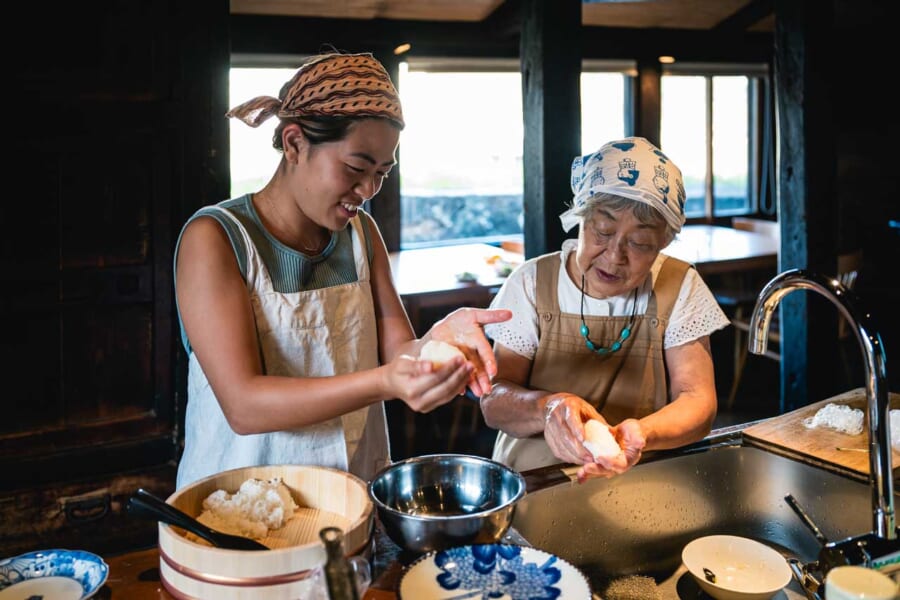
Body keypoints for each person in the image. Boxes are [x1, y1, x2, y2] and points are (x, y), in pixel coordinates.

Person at [174, 52, 511, 489]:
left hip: (352, 491)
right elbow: (244, 405)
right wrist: (386, 381)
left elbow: (399, 353)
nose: (368, 190)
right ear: (294, 143)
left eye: (382, 173)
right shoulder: (216, 238)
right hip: (241, 500)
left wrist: (436, 345)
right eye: (356, 168)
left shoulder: (361, 234)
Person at [481, 137, 729, 481]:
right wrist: (547, 409)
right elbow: (494, 401)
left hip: (639, 481)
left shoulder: (679, 285)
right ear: (579, 217)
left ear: (664, 242)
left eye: (640, 243)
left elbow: (697, 400)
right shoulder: (531, 283)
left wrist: (641, 434)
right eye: (602, 231)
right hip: (534, 481)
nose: (615, 256)